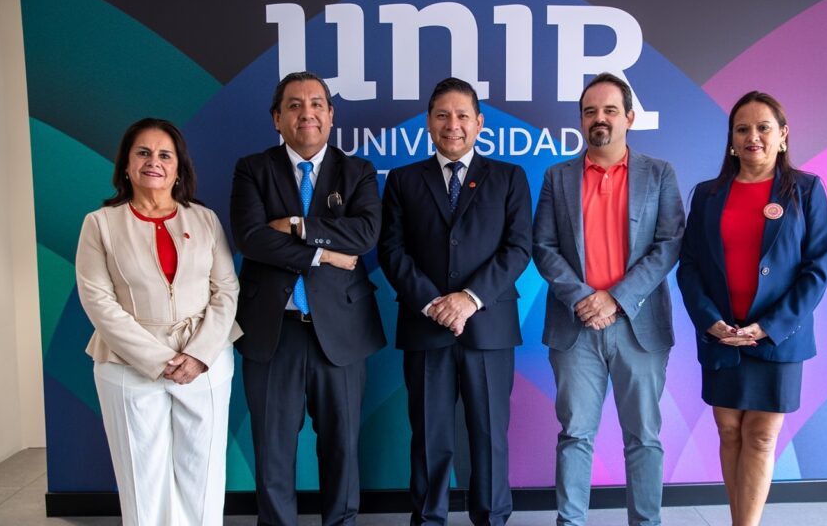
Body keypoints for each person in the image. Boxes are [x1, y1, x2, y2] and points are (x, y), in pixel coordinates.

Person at [230, 71, 386, 526]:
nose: (307, 113)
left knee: (342, 447)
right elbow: (252, 238)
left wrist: (297, 226)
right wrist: (325, 254)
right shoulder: (252, 169)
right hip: (272, 331)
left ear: (331, 115)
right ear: (277, 118)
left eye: (317, 104)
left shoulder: (357, 171)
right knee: (273, 449)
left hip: (341, 333)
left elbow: (364, 234)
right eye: (294, 105)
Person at [378, 77, 532, 526]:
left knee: (489, 437)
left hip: (489, 327)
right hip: (426, 327)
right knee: (430, 438)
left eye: (463, 115)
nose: (453, 124)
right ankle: (429, 520)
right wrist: (433, 303)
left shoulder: (509, 177)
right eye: (442, 115)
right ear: (428, 122)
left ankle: (492, 519)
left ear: (479, 122)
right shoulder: (404, 180)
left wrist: (468, 299)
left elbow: (518, 248)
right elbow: (392, 251)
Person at [532, 73, 684, 526]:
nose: (599, 118)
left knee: (644, 437)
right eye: (590, 111)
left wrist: (615, 299)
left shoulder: (659, 173)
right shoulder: (557, 177)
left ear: (629, 118)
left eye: (610, 110)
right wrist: (585, 298)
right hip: (575, 326)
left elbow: (669, 244)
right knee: (575, 435)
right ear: (581, 120)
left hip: (639, 326)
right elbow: (543, 247)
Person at [75, 118, 241, 525]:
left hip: (205, 362)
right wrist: (156, 359)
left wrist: (199, 355)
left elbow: (226, 289)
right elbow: (98, 300)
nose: (154, 162)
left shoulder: (205, 220)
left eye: (165, 155)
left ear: (178, 168)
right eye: (143, 153)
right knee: (142, 479)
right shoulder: (99, 224)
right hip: (127, 365)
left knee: (203, 475)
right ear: (126, 165)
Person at [676, 91, 827, 526]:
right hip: (722, 336)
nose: (753, 137)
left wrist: (769, 326)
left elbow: (817, 270)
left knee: (761, 437)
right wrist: (710, 321)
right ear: (731, 139)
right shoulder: (707, 195)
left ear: (783, 135)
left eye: (764, 128)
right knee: (729, 432)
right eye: (742, 129)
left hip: (778, 339)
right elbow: (689, 266)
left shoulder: (807, 190)